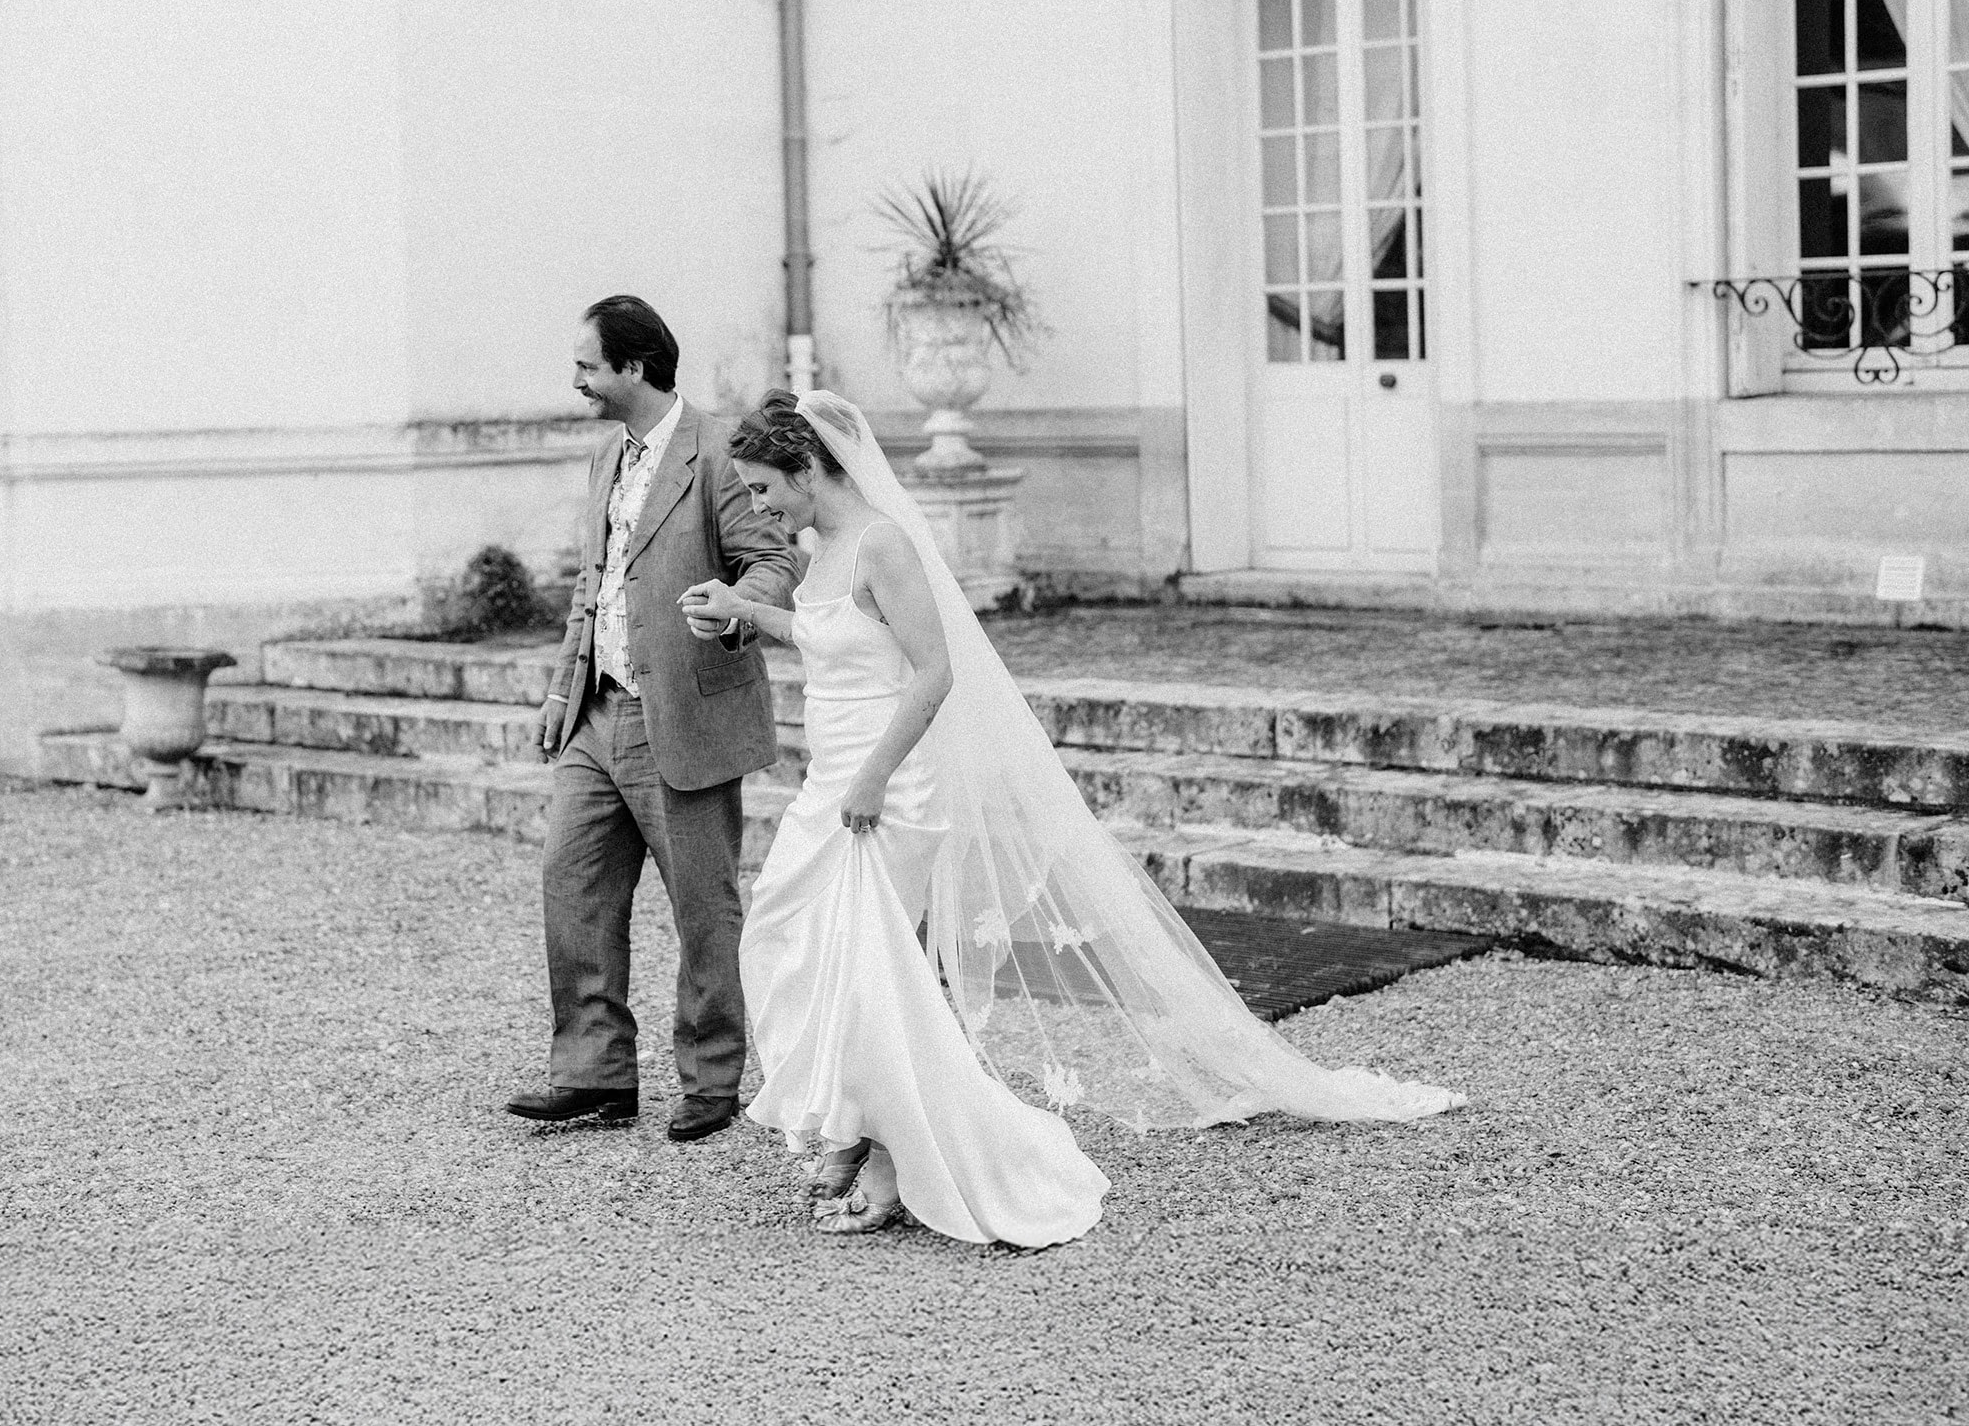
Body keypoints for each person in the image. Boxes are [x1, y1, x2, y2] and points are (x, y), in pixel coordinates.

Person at [680, 391, 1461, 1247]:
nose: (760, 508)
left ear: (805, 467)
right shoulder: (824, 549)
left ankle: (888, 1156)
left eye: (764, 489)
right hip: (830, 784)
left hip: (885, 791)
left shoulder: (884, 543)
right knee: (793, 948)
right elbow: (835, 642)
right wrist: (748, 612)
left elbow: (935, 673)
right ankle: (858, 1124)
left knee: (868, 976)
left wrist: (872, 778)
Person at [504, 297, 799, 1144]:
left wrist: (741, 607)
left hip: (686, 714)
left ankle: (711, 1080)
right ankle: (594, 1077)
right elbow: (590, 588)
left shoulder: (718, 452)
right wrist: (563, 693)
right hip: (597, 717)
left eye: (588, 366)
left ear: (634, 368)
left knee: (703, 908)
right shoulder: (607, 459)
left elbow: (773, 556)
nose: (577, 381)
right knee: (573, 886)